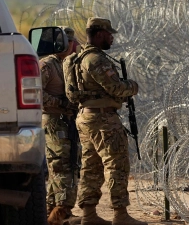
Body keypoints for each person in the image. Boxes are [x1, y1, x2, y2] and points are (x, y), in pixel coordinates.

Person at [75, 17, 147, 225]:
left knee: (91, 166)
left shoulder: (80, 58)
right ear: (99, 34)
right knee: (117, 164)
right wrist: (132, 86)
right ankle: (120, 215)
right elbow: (116, 88)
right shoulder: (96, 60)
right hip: (103, 119)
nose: (112, 37)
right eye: (109, 34)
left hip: (86, 117)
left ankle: (88, 215)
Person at [40, 26, 81, 225]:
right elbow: (35, 94)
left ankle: (53, 210)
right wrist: (62, 103)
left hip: (66, 122)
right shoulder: (47, 65)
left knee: (66, 165)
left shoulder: (66, 64)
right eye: (72, 42)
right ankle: (61, 211)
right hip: (55, 121)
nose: (75, 46)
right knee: (61, 167)